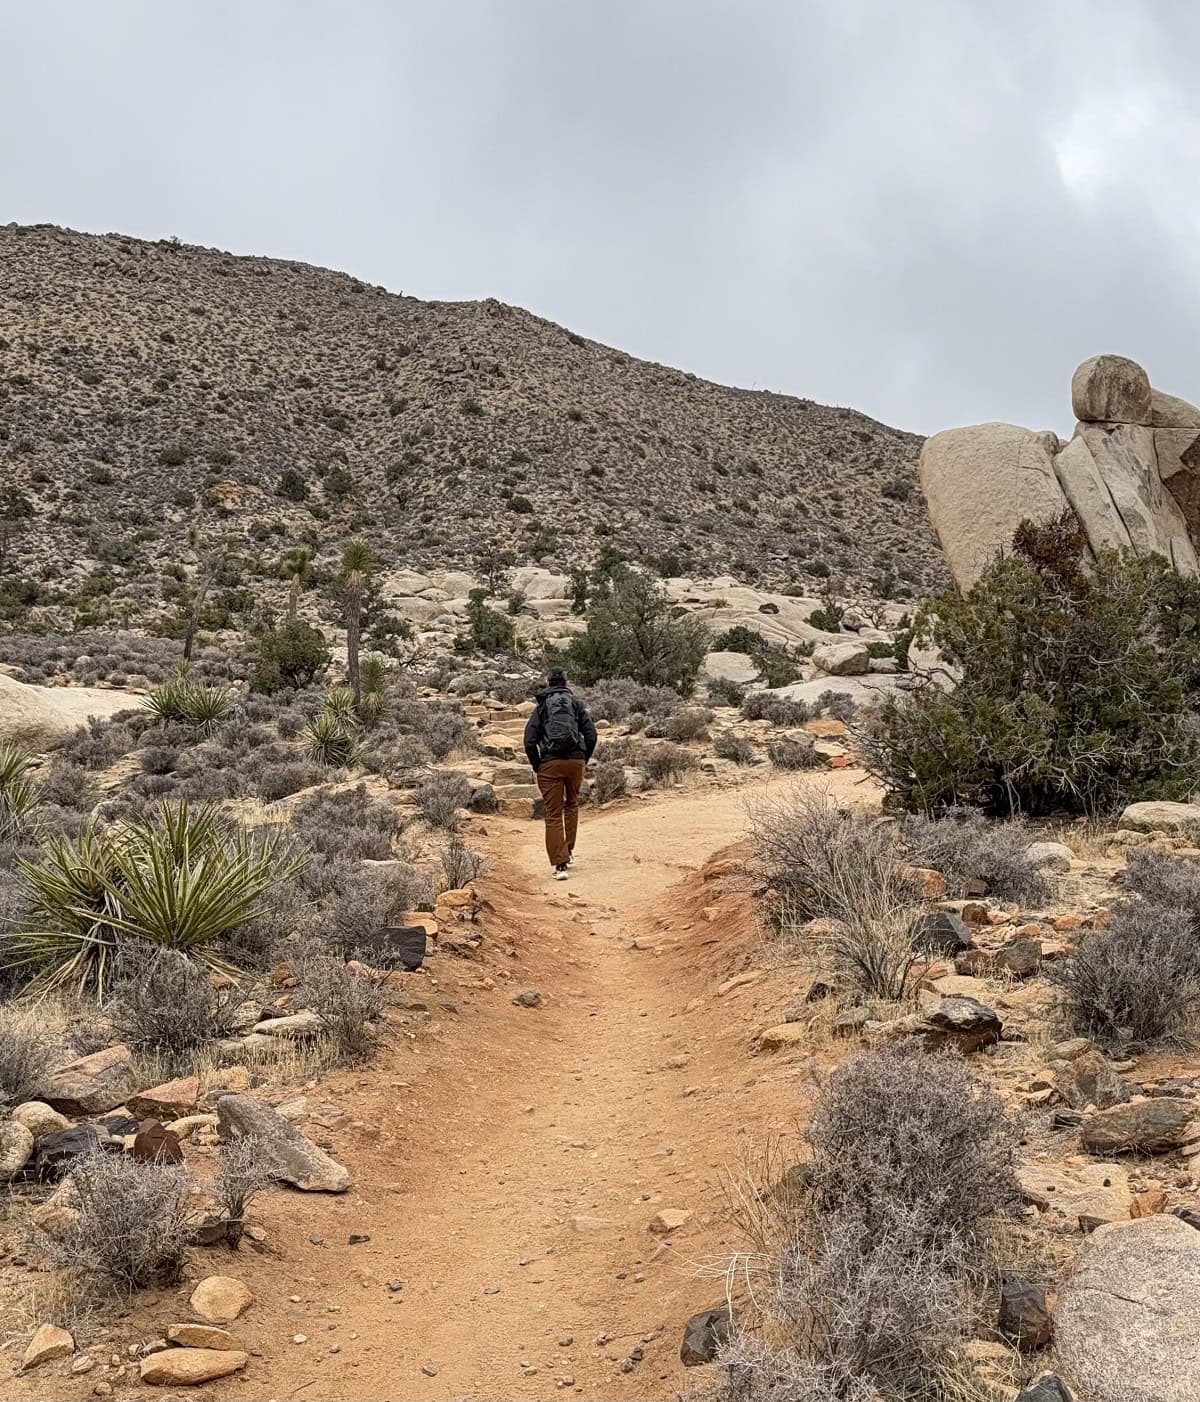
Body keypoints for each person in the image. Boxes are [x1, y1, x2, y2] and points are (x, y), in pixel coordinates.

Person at [524, 667, 597, 880]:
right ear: (566, 682)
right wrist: (583, 758)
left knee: (553, 812)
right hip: (575, 762)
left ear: (548, 683)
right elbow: (591, 734)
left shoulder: (542, 706)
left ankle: (560, 864)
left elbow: (529, 740)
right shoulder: (576, 704)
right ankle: (569, 850)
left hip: (550, 763)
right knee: (572, 804)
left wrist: (538, 765)